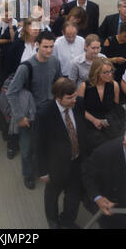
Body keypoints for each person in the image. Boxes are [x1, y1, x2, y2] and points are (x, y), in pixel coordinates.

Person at [6, 30, 61, 189]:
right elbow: (11, 92)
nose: (49, 50)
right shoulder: (26, 67)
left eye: (51, 47)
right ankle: (28, 175)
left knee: (46, 146)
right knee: (27, 148)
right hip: (30, 115)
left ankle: (43, 169)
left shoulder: (55, 62)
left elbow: (58, 82)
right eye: (45, 47)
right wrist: (20, 116)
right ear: (37, 45)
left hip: (49, 113)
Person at [37, 78, 87, 229]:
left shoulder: (79, 104)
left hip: (76, 161)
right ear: (58, 98)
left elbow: (82, 129)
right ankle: (53, 221)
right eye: (69, 98)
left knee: (73, 196)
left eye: (75, 96)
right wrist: (43, 171)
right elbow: (38, 145)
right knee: (52, 195)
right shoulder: (44, 114)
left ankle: (67, 221)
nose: (74, 100)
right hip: (55, 165)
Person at [82, 125, 126, 229]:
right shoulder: (104, 153)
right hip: (115, 207)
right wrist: (97, 197)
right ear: (125, 145)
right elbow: (87, 175)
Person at [77, 58, 125, 153]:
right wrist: (94, 120)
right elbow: (79, 109)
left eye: (111, 71)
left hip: (110, 124)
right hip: (90, 124)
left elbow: (116, 108)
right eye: (105, 72)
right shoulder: (84, 86)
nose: (110, 75)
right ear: (97, 73)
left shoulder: (114, 85)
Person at [102, 21, 126, 88]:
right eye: (125, 36)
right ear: (120, 32)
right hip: (113, 75)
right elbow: (101, 60)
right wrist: (114, 60)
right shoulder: (110, 41)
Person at [0, 3, 18, 97]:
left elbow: (13, 39)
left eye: (10, 15)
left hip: (8, 52)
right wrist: (8, 40)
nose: (8, 18)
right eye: (6, 15)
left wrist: (10, 27)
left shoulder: (14, 22)